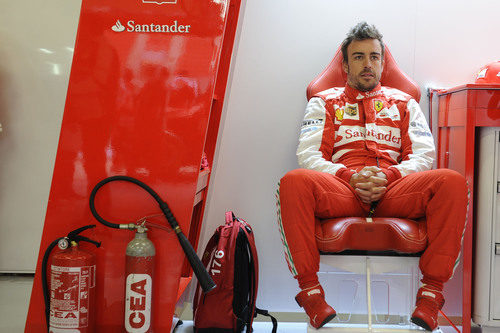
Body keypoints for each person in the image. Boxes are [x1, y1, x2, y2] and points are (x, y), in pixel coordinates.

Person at [276, 22, 468, 331]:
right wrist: (350, 177)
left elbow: (424, 156)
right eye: (359, 56)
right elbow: (309, 156)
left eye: (375, 57)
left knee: (451, 181)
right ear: (345, 64)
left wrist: (389, 175)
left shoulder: (406, 103)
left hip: (394, 192)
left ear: (383, 62)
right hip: (342, 192)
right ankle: (311, 295)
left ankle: (431, 296)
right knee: (294, 181)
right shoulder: (323, 101)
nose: (368, 64)